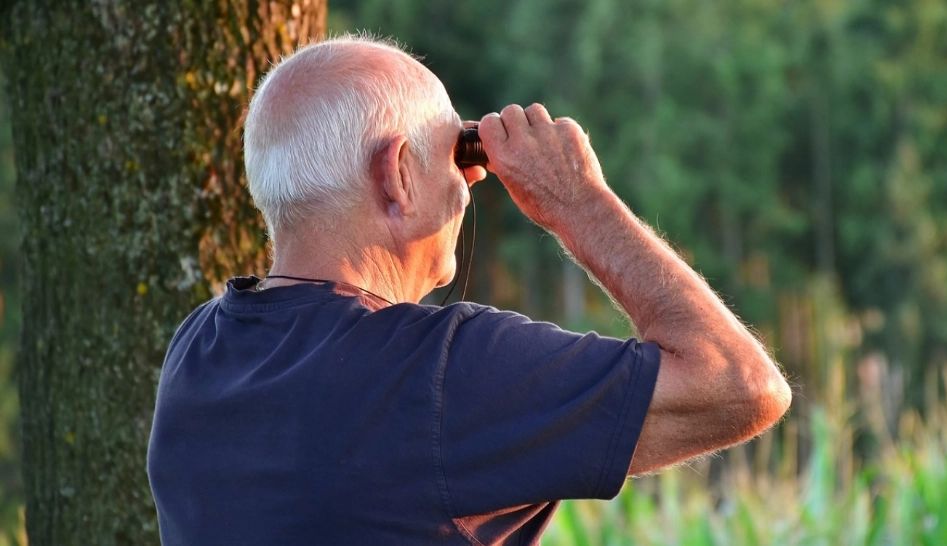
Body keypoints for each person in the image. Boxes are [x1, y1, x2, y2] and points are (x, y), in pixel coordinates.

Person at [147, 34, 791, 546]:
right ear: (398, 175)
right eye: (457, 156)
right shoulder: (443, 374)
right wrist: (577, 201)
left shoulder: (197, 355)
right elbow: (739, 386)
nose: (472, 182)